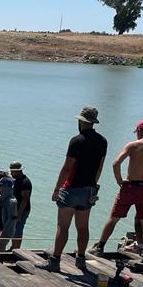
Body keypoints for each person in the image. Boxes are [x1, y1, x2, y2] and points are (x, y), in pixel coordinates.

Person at [91, 119, 143, 266]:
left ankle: (99, 247)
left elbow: (116, 163)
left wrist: (119, 181)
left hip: (130, 187)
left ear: (139, 130)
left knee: (113, 218)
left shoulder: (133, 145)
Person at [48, 105, 108, 272]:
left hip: (71, 188)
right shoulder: (102, 141)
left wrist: (56, 189)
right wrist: (93, 187)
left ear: (81, 121)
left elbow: (67, 168)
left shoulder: (76, 140)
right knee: (83, 227)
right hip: (88, 189)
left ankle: (55, 261)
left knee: (62, 226)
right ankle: (80, 259)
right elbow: (100, 167)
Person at [8, 161, 32, 250]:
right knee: (13, 229)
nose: (11, 172)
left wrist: (19, 213)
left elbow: (25, 199)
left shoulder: (25, 182)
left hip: (22, 210)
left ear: (17, 171)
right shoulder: (17, 180)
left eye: (12, 171)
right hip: (16, 209)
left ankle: (16, 249)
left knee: (18, 230)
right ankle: (13, 247)